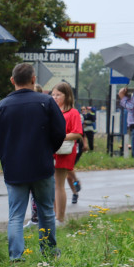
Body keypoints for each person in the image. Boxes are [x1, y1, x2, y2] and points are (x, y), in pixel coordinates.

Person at [0, 63, 66, 261]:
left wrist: (5, 154)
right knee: (46, 211)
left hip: (14, 168)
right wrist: (49, 150)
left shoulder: (2, 106)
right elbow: (60, 132)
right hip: (42, 165)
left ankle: (16, 256)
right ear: (33, 79)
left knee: (16, 215)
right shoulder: (46, 102)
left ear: (12, 81)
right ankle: (48, 252)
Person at [51, 82, 87, 224]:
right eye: (53, 94)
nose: (55, 97)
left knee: (59, 184)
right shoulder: (53, 110)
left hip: (64, 151)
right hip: (52, 150)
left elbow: (77, 133)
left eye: (58, 95)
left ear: (67, 96)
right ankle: (54, 215)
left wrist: (61, 136)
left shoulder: (73, 113)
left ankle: (60, 217)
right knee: (53, 184)